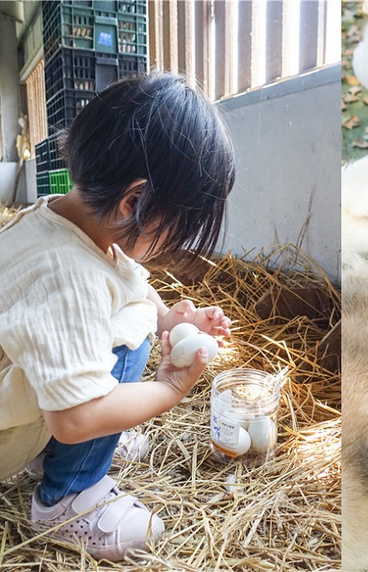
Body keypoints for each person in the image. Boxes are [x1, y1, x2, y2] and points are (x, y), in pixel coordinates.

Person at [0, 73, 236, 561]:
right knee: (127, 337)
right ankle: (68, 497)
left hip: (17, 401)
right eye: (179, 225)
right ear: (134, 201)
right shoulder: (68, 276)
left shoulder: (62, 219)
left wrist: (169, 318)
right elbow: (74, 416)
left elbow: (129, 280)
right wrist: (168, 390)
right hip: (15, 431)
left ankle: (66, 451)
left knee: (135, 318)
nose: (177, 242)